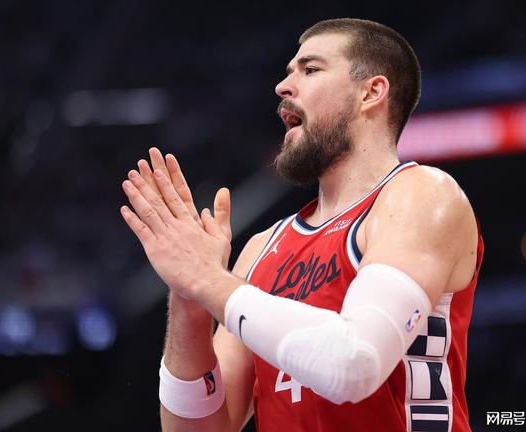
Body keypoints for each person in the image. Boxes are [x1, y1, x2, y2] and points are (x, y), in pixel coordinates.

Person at [120, 18, 483, 432]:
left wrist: (207, 280)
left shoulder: (422, 194)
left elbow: (355, 364)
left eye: (310, 69)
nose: (282, 86)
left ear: (371, 92)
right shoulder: (262, 248)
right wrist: (188, 299)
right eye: (289, 71)